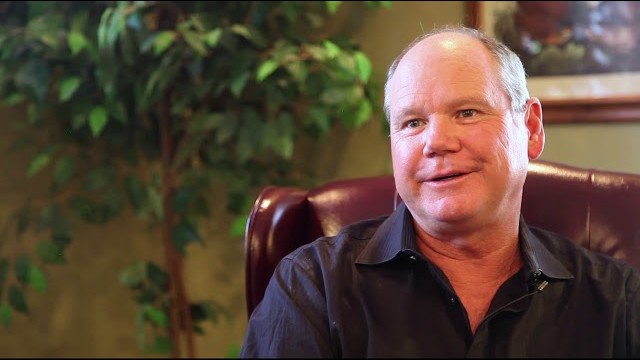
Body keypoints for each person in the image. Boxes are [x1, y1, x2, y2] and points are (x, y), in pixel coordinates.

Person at [240, 25, 640, 357]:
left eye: (467, 112)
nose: (436, 142)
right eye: (412, 122)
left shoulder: (617, 301)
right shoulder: (313, 287)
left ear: (531, 129)